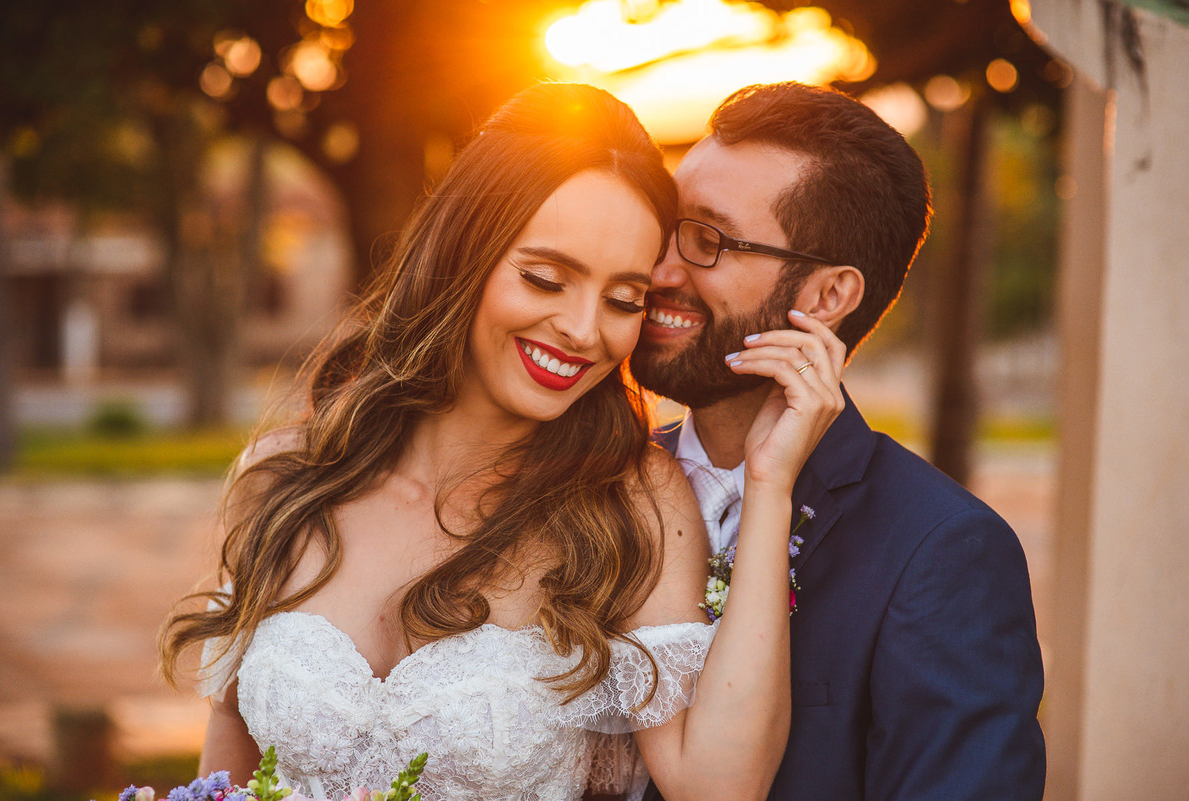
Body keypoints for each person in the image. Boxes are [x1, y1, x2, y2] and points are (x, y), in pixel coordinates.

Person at [160, 83, 845, 801]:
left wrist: (771, 484)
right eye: (546, 278)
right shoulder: (286, 477)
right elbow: (225, 770)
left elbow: (719, 787)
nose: (584, 330)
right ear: (463, 253)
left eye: (622, 300)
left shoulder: (631, 503)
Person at [630, 82, 1046, 801]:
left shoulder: (941, 552)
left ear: (826, 298)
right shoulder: (592, 483)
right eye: (666, 223)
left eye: (707, 239)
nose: (661, 268)